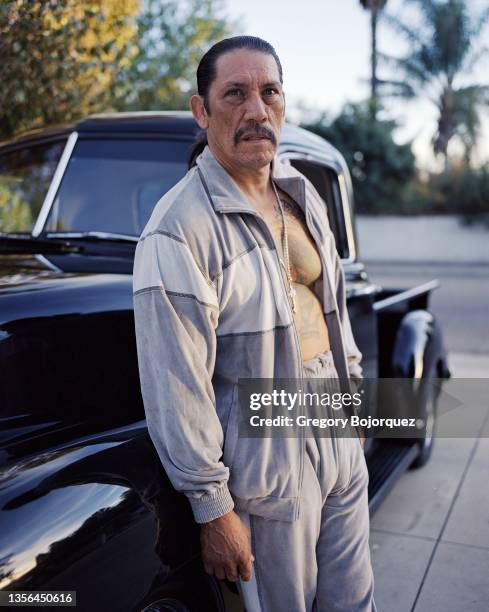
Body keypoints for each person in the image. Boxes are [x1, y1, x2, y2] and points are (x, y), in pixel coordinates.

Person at [133, 35, 376, 612]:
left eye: (269, 92)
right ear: (202, 110)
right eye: (235, 94)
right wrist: (213, 507)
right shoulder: (178, 228)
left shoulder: (301, 193)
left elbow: (333, 305)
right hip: (266, 458)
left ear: (283, 103)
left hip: (336, 426)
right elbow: (176, 385)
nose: (255, 110)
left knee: (355, 602)